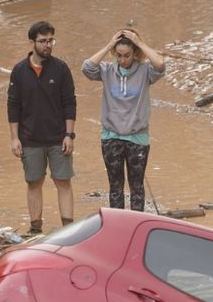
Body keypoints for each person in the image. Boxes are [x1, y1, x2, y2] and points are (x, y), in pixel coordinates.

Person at [82, 28, 166, 212]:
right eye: (118, 55)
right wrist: (109, 45)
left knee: (137, 187)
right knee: (115, 187)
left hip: (137, 139)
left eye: (127, 55)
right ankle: (117, 227)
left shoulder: (145, 71)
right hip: (111, 137)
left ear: (134, 53)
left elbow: (160, 65)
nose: (122, 60)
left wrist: (140, 42)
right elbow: (87, 67)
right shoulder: (107, 71)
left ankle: (136, 226)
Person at [8, 20, 77, 234]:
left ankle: (68, 229)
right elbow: (13, 106)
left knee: (63, 181)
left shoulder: (61, 68)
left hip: (58, 138)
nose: (48, 45)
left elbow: (70, 103)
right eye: (43, 41)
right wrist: (14, 138)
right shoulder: (19, 71)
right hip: (30, 139)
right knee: (34, 183)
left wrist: (69, 135)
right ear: (32, 43)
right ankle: (36, 229)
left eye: (51, 40)